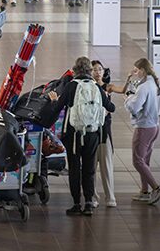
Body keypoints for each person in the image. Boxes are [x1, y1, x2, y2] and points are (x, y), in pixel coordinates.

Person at [47, 57, 114, 216]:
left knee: (75, 168)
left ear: (75, 71)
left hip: (74, 135)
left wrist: (54, 100)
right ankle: (89, 203)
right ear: (90, 71)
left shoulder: (71, 86)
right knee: (89, 168)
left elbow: (57, 108)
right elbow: (111, 107)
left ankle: (77, 203)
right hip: (93, 134)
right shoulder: (96, 87)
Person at [111, 58, 160, 205]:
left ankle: (156, 188)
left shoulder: (144, 87)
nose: (135, 73)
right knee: (145, 160)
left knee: (137, 161)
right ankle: (144, 191)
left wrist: (127, 98)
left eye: (136, 70)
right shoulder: (155, 83)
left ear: (142, 70)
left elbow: (134, 107)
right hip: (154, 126)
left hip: (144, 128)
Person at [90, 60, 116, 208]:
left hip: (105, 132)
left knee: (107, 166)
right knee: (91, 166)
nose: (98, 72)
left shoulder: (106, 88)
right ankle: (93, 196)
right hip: (92, 131)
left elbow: (111, 108)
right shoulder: (87, 88)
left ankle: (110, 197)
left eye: (100, 69)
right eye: (94, 70)